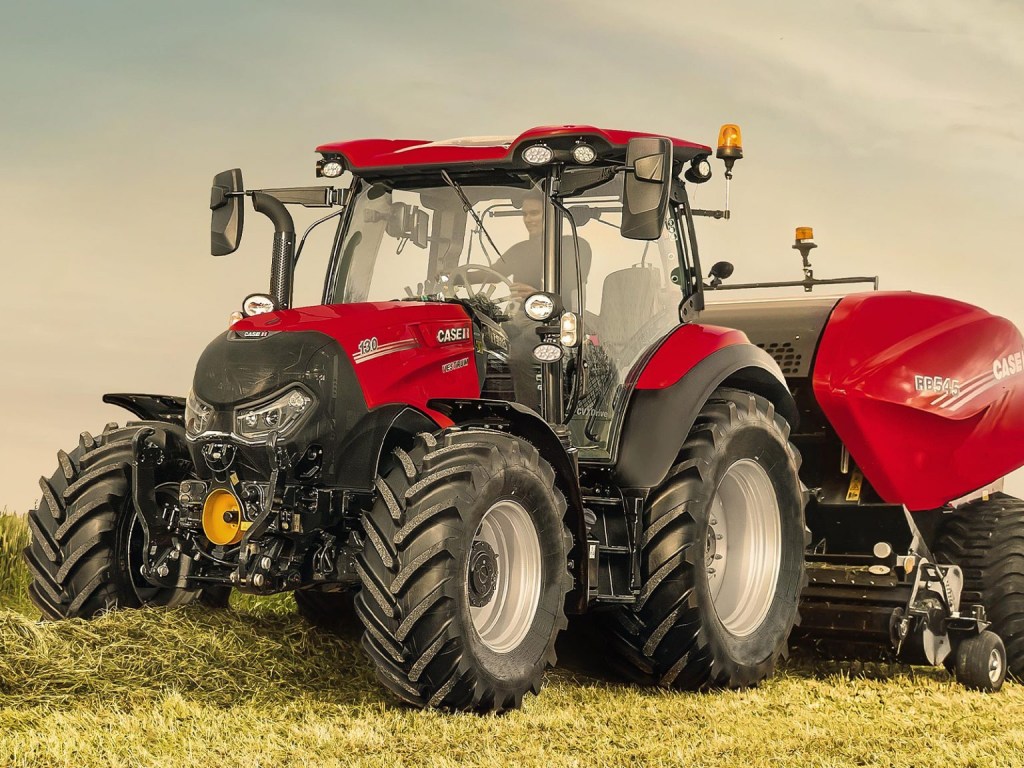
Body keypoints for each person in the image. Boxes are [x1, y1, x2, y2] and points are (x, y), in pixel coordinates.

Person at [492, 193, 591, 309]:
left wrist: (537, 297)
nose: (527, 220)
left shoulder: (573, 247)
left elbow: (575, 295)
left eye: (534, 213)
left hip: (554, 319)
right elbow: (490, 275)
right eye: (524, 214)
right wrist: (465, 278)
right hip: (516, 319)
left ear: (551, 214)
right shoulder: (519, 250)